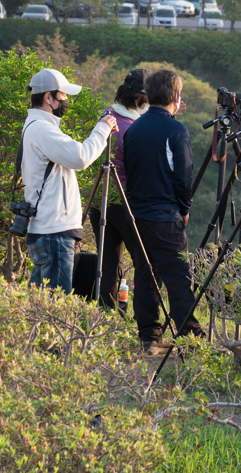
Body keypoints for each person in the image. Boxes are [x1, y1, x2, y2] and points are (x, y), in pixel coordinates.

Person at [123, 68, 204, 355]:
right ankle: (192, 340)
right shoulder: (176, 130)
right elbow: (183, 177)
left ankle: (149, 336)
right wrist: (184, 208)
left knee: (146, 274)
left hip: (137, 215)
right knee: (178, 277)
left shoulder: (134, 129)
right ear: (177, 95)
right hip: (164, 215)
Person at [23, 68, 117, 294]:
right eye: (63, 95)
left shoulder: (37, 127)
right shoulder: (43, 130)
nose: (66, 101)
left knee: (38, 307)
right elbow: (81, 156)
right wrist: (102, 128)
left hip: (46, 230)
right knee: (55, 309)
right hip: (53, 233)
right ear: (49, 98)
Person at [87, 68, 149, 309]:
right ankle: (145, 321)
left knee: (107, 264)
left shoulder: (109, 115)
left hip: (100, 200)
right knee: (145, 262)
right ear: (138, 100)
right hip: (124, 202)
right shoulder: (133, 127)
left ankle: (105, 317)